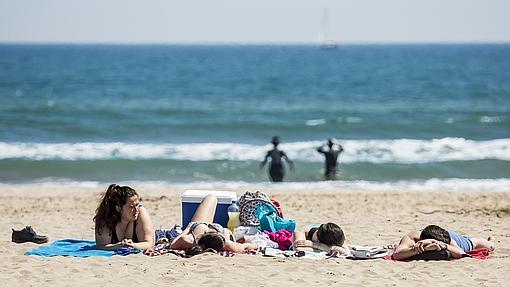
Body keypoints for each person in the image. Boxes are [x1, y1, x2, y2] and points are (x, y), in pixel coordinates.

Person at [170, 194, 259, 255]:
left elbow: (172, 245)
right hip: (212, 229)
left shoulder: (188, 240)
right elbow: (247, 247)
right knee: (212, 198)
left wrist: (187, 228)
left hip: (201, 226)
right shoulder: (226, 244)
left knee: (211, 198)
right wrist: (257, 245)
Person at [94, 184, 155, 251]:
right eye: (131, 207)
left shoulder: (141, 212)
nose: (136, 209)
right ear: (118, 208)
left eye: (137, 205)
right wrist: (119, 245)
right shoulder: (106, 217)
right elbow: (101, 246)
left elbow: (149, 243)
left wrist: (132, 245)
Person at [392, 224, 495, 260]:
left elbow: (461, 253)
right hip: (435, 233)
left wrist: (444, 245)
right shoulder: (413, 237)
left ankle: (492, 240)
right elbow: (397, 255)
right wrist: (424, 248)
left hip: (462, 241)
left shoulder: (449, 240)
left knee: (488, 245)